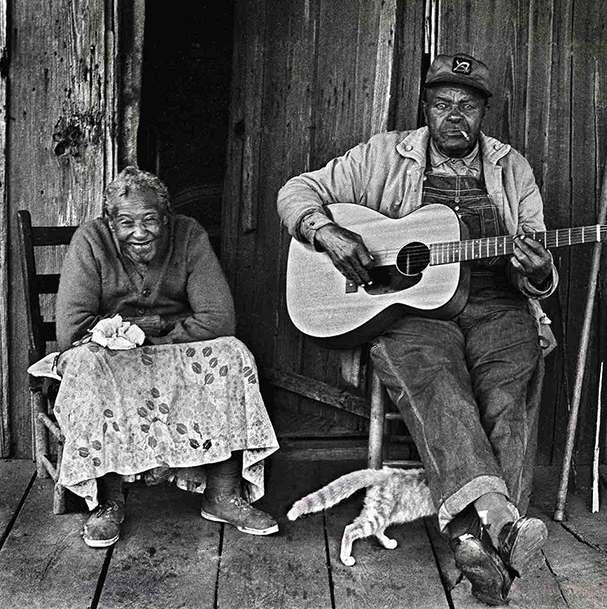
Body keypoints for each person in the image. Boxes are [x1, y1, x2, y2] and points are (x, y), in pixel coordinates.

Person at [278, 53, 558, 605]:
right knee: (439, 387)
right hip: (410, 310)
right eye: (443, 104)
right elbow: (296, 192)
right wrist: (329, 234)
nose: (455, 117)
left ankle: (478, 551)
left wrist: (541, 273)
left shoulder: (510, 167)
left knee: (506, 393)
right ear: (426, 108)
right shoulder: (384, 154)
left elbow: (537, 260)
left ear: (483, 114)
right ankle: (498, 525)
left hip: (497, 300)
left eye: (468, 107)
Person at [55, 166, 279, 548]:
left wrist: (153, 333)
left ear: (166, 217)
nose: (139, 233)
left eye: (150, 220)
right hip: (107, 353)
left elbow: (220, 319)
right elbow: (73, 330)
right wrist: (141, 326)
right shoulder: (90, 241)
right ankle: (108, 502)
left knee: (232, 354)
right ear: (110, 223)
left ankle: (222, 495)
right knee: (89, 366)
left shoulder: (189, 235)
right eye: (126, 222)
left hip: (172, 348)